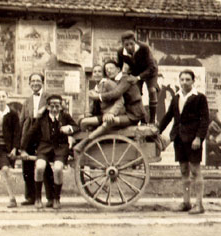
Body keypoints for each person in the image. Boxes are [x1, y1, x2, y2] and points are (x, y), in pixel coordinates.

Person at [158, 69, 209, 214]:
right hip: (179, 139)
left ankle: (199, 205)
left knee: (195, 171)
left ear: (193, 81)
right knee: (183, 171)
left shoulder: (200, 97)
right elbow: (168, 117)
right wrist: (157, 131)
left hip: (193, 140)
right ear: (179, 81)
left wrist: (199, 138)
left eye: (188, 79)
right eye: (182, 79)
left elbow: (205, 120)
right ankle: (186, 202)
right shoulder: (176, 97)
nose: (185, 82)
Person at [20, 94, 79, 209]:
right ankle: (38, 198)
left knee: (57, 168)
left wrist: (69, 128)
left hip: (60, 147)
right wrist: (22, 149)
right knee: (40, 167)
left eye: (57, 106)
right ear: (47, 107)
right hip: (45, 147)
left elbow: (77, 127)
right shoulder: (42, 119)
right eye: (52, 106)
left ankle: (56, 199)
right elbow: (30, 133)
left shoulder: (65, 116)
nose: (54, 109)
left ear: (61, 107)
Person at [19, 72, 55, 207]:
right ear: (29, 84)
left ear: (42, 83)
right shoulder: (27, 101)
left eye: (38, 81)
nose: (35, 83)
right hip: (29, 133)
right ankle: (30, 197)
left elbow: (56, 106)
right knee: (27, 164)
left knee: (43, 164)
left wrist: (44, 108)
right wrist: (20, 140)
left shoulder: (48, 97)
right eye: (32, 81)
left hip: (42, 134)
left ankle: (51, 197)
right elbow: (22, 120)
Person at [73, 71, 127, 153]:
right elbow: (93, 105)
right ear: (92, 74)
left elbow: (120, 99)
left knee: (84, 122)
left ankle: (86, 144)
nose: (97, 74)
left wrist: (111, 113)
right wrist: (88, 113)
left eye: (99, 71)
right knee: (81, 120)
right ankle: (87, 143)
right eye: (95, 72)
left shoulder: (108, 83)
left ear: (103, 74)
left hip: (110, 115)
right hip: (102, 114)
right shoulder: (96, 88)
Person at [88, 60, 147, 129]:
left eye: (111, 68)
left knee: (108, 123)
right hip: (127, 112)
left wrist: (98, 96)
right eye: (107, 70)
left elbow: (116, 93)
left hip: (134, 113)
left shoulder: (125, 79)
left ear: (118, 69)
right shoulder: (113, 81)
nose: (109, 71)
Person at [117, 30, 159, 124]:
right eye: (126, 45)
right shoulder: (120, 52)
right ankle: (142, 119)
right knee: (135, 94)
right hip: (135, 71)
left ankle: (152, 120)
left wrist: (138, 78)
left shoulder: (144, 47)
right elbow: (119, 67)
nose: (129, 47)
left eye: (131, 44)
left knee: (152, 90)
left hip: (150, 70)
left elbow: (151, 66)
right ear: (122, 44)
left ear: (135, 41)